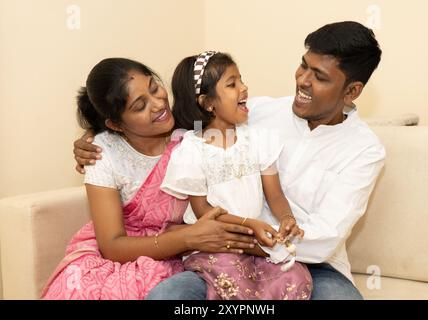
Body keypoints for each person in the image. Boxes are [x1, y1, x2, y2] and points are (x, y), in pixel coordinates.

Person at [74, 21, 385, 300]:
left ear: (351, 91)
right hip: (224, 253)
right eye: (303, 66)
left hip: (310, 262)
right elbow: (185, 125)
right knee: (168, 296)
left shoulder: (365, 150)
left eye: (318, 76)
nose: (302, 80)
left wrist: (244, 237)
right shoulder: (257, 112)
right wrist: (99, 138)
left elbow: (323, 239)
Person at [42, 58, 257, 300]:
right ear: (115, 123)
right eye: (140, 106)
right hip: (120, 257)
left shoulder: (190, 131)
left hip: (185, 256)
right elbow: (111, 245)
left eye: (154, 88)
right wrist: (188, 237)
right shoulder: (103, 152)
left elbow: (231, 117)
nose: (158, 104)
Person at [159, 51, 312, 300]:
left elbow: (274, 193)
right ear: (207, 103)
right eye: (232, 84)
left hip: (256, 241)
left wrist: (286, 218)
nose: (244, 87)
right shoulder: (191, 150)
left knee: (296, 277)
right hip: (217, 243)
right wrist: (249, 224)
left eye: (241, 79)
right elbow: (203, 212)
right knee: (234, 280)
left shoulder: (258, 139)